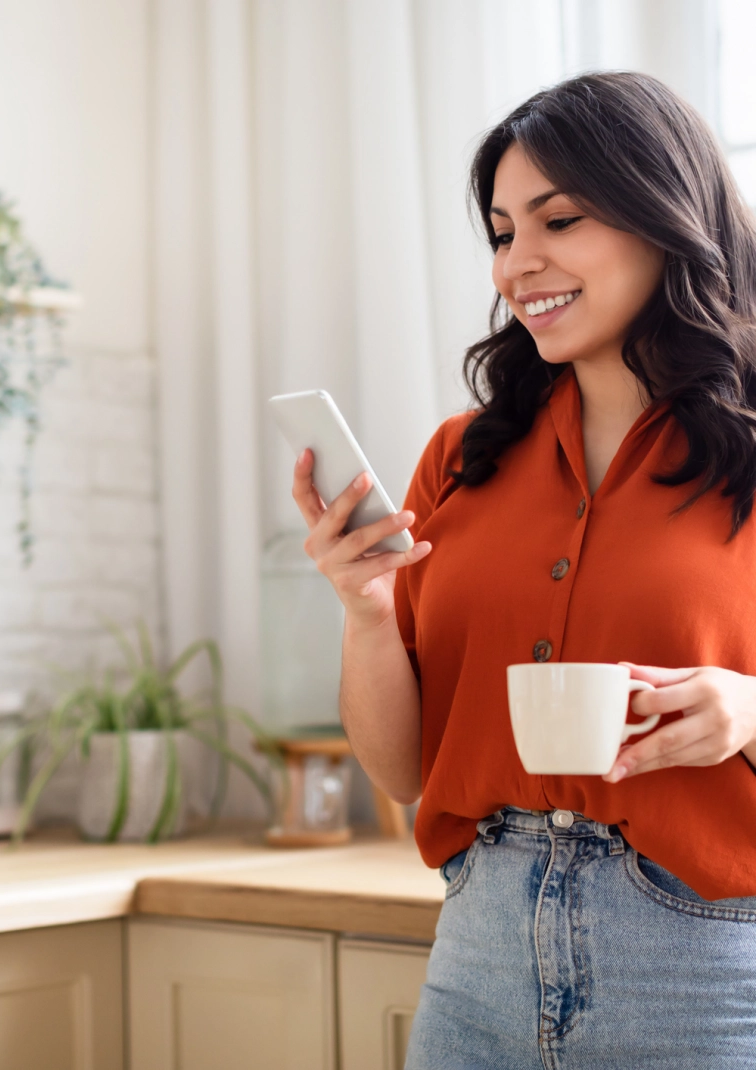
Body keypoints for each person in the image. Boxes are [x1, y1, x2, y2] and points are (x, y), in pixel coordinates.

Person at [291, 71, 756, 1068]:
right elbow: (402, 770)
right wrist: (365, 608)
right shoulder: (460, 456)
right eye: (501, 231)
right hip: (477, 956)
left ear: (662, 216)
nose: (515, 263)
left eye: (559, 220)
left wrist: (748, 708)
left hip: (704, 966)